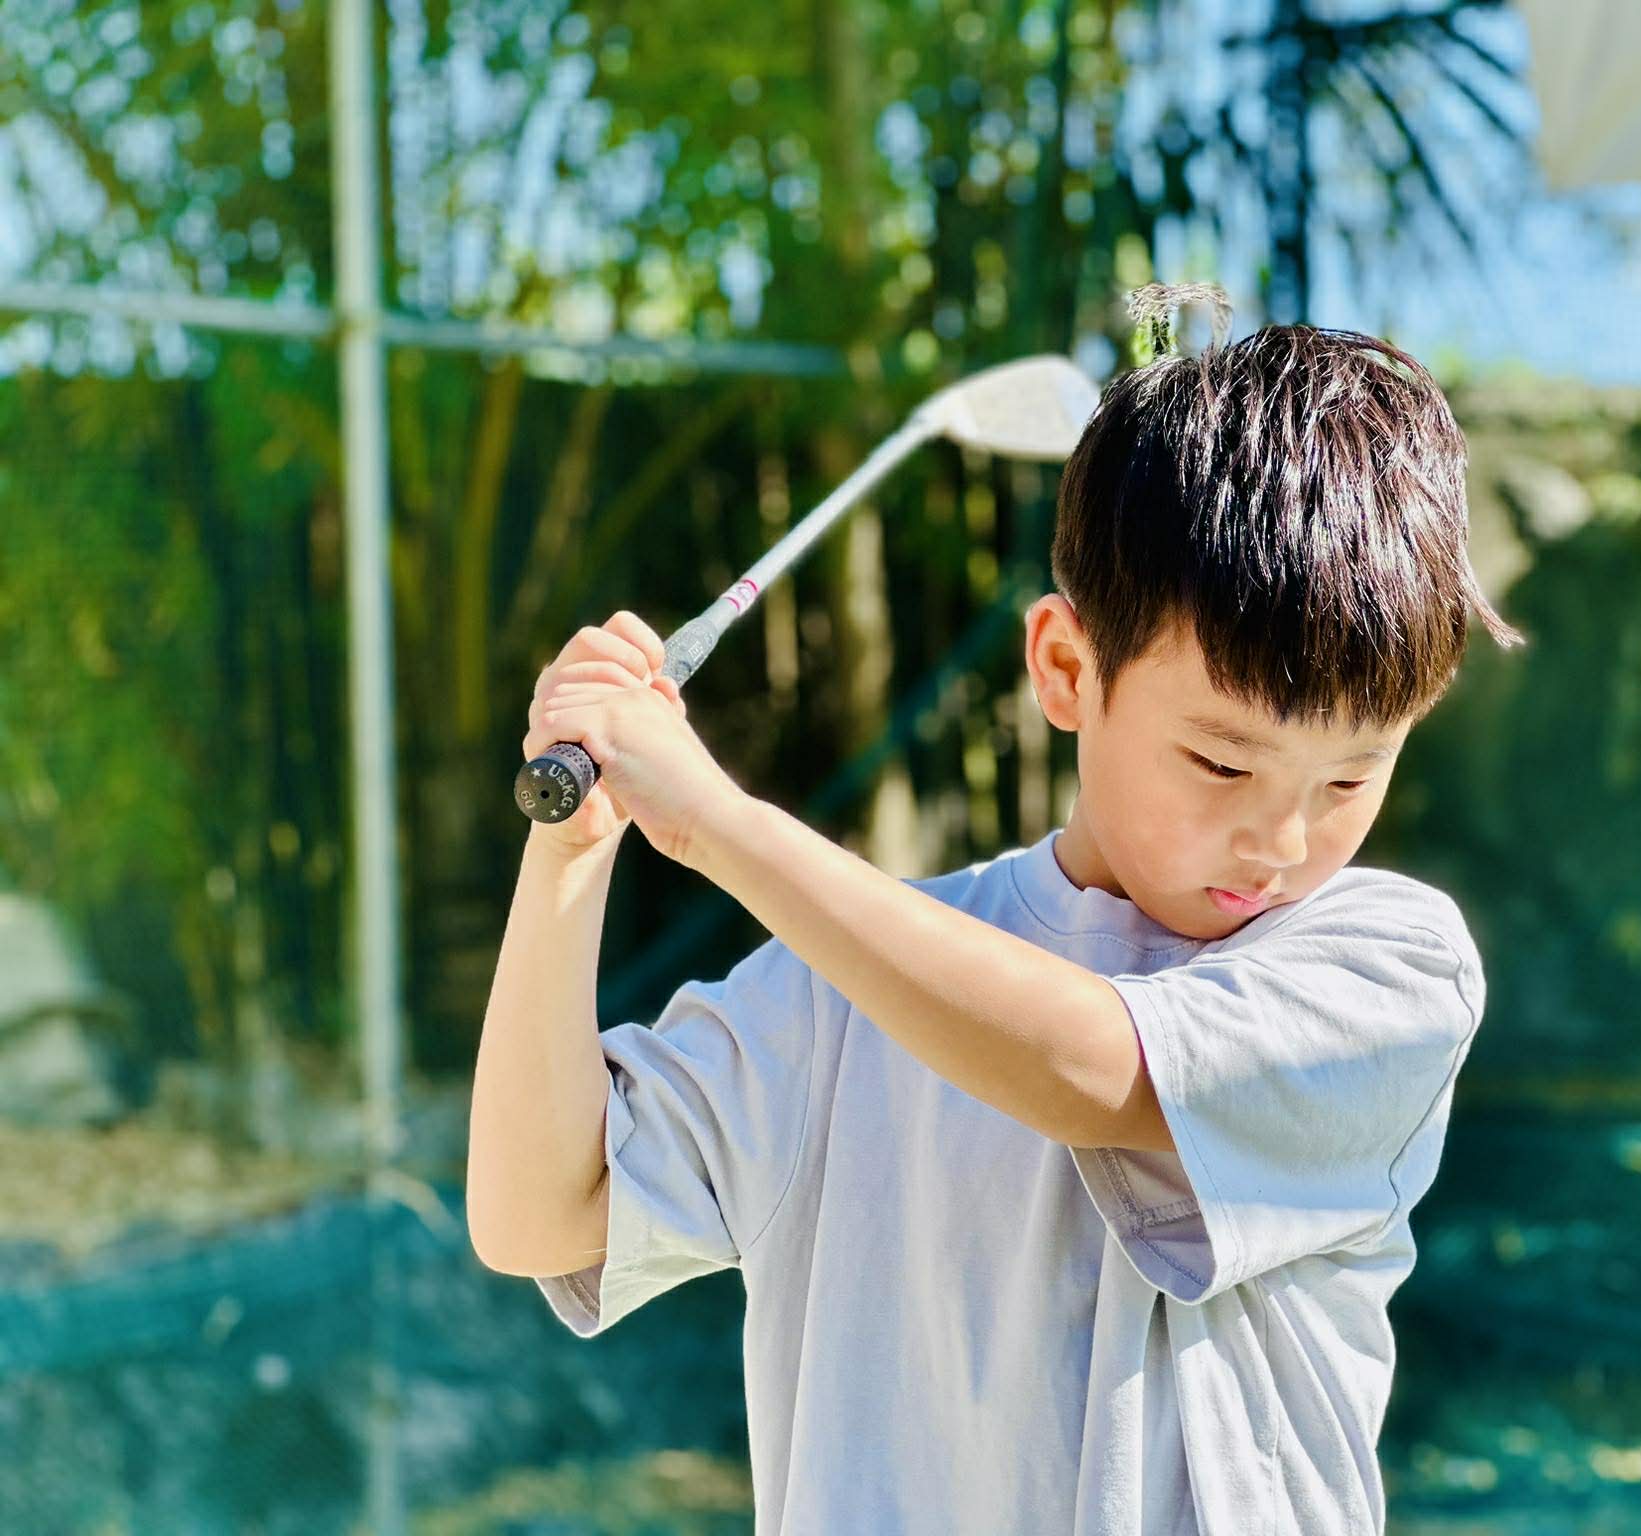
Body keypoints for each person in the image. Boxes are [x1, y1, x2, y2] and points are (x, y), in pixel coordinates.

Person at [466, 281, 1526, 1535]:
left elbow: (1089, 1067)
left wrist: (713, 821)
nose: (1282, 839)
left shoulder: (1386, 968)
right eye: (1221, 763)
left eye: (1351, 776)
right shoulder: (836, 981)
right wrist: (571, 852)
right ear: (1065, 669)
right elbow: (540, 1217)